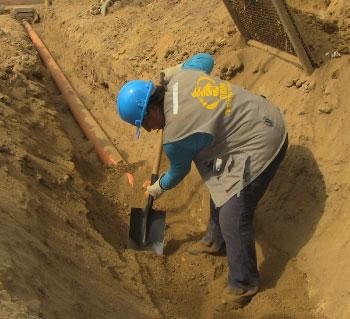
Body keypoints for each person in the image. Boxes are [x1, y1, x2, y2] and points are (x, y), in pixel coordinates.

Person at [116, 53, 288, 309]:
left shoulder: (175, 137)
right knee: (220, 183)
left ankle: (243, 284)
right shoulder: (182, 78)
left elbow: (178, 172)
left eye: (145, 123)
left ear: (153, 109)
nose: (150, 130)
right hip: (257, 117)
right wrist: (178, 68)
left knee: (233, 213)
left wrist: (158, 187)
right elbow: (205, 59)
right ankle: (214, 241)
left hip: (263, 140)